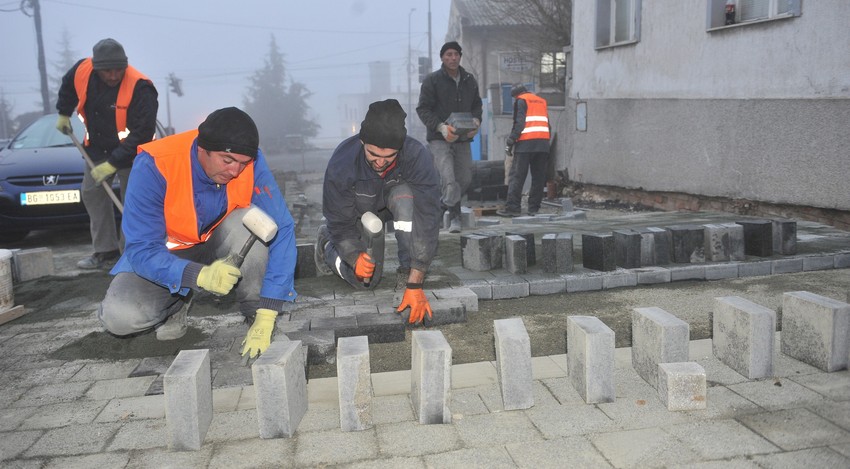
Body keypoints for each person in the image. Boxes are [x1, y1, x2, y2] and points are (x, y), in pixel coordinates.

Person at [98, 107, 298, 360]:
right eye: (227, 161)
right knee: (121, 318)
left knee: (253, 223)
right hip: (168, 256)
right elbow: (141, 248)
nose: (236, 171)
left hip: (220, 242)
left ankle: (254, 313)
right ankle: (176, 303)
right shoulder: (154, 165)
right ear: (202, 149)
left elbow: (283, 227)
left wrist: (268, 312)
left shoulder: (250, 161)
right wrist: (198, 275)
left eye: (243, 163)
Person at [316, 99, 442, 324]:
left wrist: (415, 281)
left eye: (389, 157)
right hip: (358, 214)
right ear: (362, 141)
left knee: (406, 199)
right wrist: (354, 256)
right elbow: (340, 222)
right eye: (373, 154)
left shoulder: (416, 156)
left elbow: (428, 217)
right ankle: (327, 246)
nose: (381, 163)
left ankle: (405, 272)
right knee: (364, 282)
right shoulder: (342, 162)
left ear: (400, 148)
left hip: (394, 203)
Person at [55, 38, 158, 269]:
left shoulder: (141, 88)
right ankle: (106, 252)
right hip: (97, 149)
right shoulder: (82, 71)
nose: (113, 76)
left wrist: (113, 163)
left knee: (134, 202)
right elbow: (68, 86)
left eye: (118, 70)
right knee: (93, 194)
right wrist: (63, 112)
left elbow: (143, 132)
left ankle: (132, 256)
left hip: (135, 154)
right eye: (107, 71)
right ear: (96, 67)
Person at [416, 41, 483, 234]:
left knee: (465, 177)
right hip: (440, 139)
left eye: (456, 54)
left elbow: (477, 105)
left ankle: (439, 206)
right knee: (448, 177)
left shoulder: (469, 80)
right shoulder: (432, 81)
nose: (453, 58)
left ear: (460, 56)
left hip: (462, 137)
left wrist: (476, 122)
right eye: (448, 55)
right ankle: (455, 217)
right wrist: (440, 127)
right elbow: (423, 109)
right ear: (442, 58)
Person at [497, 84, 551, 217]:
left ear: (516, 95)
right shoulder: (541, 101)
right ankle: (534, 208)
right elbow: (548, 125)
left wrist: (511, 141)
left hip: (525, 145)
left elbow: (519, 123)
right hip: (543, 144)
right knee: (538, 178)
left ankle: (513, 208)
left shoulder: (521, 101)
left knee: (517, 176)